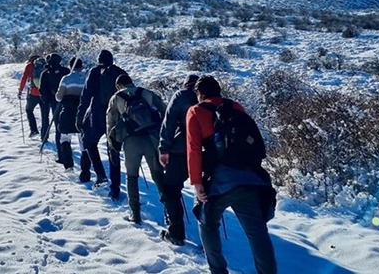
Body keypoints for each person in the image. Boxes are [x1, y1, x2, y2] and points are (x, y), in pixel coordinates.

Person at [186, 76, 277, 274]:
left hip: (218, 181)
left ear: (200, 94)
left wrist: (197, 182)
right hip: (250, 178)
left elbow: (193, 149)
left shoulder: (195, 111)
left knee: (207, 223)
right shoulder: (235, 106)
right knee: (257, 232)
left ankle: (218, 271)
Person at [107, 74, 166, 224]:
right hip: (152, 139)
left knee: (132, 177)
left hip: (131, 141)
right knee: (158, 175)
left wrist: (112, 144)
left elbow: (111, 122)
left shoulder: (116, 97)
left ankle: (135, 213)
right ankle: (169, 212)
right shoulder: (146, 93)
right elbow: (165, 111)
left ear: (119, 86)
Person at [76, 50, 127, 197]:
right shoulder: (119, 72)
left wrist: (80, 116)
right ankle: (115, 188)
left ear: (99, 60)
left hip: (97, 114)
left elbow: (85, 96)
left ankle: (100, 174)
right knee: (113, 150)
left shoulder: (94, 72)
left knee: (89, 142)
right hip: (116, 114)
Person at [157, 73, 200, 246]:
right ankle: (209, 239)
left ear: (186, 84)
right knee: (205, 193)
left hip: (182, 150)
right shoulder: (210, 99)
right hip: (206, 151)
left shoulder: (181, 96)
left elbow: (168, 123)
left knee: (171, 190)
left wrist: (164, 149)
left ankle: (176, 233)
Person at [54, 57, 85, 171]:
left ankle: (68, 164)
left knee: (64, 138)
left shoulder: (66, 79)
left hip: (68, 112)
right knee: (83, 141)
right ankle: (85, 167)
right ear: (81, 67)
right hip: (82, 112)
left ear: (70, 66)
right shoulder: (86, 78)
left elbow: (58, 97)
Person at [39, 53, 70, 163]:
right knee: (65, 128)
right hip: (68, 102)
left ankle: (62, 155)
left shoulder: (46, 73)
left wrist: (47, 101)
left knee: (59, 127)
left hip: (54, 103)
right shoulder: (66, 71)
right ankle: (66, 152)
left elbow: (42, 90)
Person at [18, 54, 49, 138]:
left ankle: (34, 130)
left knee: (29, 110)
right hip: (45, 94)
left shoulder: (30, 66)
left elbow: (24, 78)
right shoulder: (46, 65)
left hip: (33, 93)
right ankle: (45, 136)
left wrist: (20, 90)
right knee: (45, 115)